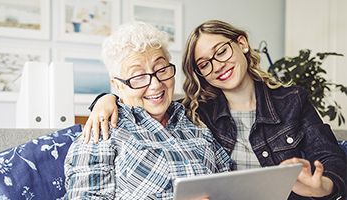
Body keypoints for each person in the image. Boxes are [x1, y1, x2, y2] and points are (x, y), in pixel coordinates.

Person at [83, 20, 347, 199]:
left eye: (220, 51)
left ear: (242, 44)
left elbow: (331, 157)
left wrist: (322, 187)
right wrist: (106, 100)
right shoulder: (197, 113)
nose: (217, 66)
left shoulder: (292, 101)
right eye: (204, 64)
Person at [62, 21, 233, 199]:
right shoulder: (101, 134)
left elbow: (228, 186)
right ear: (117, 85)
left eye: (161, 69)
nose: (156, 85)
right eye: (138, 77)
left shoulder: (196, 123)